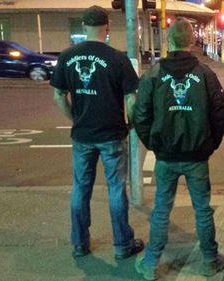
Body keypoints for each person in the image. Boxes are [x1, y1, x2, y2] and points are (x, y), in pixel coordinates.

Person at [132, 18, 224, 281]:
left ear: (169, 41)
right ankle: (209, 261)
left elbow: (140, 114)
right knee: (203, 209)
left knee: (162, 209)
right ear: (192, 41)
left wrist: (154, 143)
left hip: (165, 156)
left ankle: (151, 264)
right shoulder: (206, 75)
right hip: (197, 156)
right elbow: (219, 113)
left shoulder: (153, 74)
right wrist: (209, 144)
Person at [50, 5, 143, 259]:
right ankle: (122, 245)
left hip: (82, 135)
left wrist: (75, 118)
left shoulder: (67, 57)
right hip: (112, 134)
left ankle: (80, 243)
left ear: (84, 27)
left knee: (81, 188)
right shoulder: (117, 58)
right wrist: (131, 124)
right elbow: (132, 99)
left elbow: (59, 95)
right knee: (115, 188)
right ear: (107, 28)